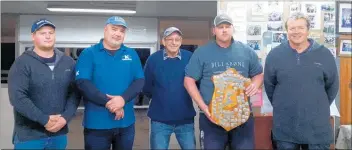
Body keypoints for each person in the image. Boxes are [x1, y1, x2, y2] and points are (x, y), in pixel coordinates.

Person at [184, 14, 264, 150]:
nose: (224, 30)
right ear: (213, 30)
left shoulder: (246, 51)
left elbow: (258, 74)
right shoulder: (202, 52)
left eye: (227, 27)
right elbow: (188, 81)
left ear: (233, 29)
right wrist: (203, 107)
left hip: (242, 117)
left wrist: (255, 84)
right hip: (212, 118)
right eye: (220, 27)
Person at [264, 12, 339, 150]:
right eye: (292, 28)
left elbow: (332, 86)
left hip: (317, 127)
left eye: (300, 28)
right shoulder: (275, 55)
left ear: (308, 30)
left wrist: (315, 105)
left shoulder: (324, 54)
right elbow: (269, 86)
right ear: (287, 31)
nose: (296, 32)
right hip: (285, 127)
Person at [8, 18, 80, 149]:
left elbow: (74, 94)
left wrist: (65, 118)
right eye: (42, 33)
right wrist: (44, 120)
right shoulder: (22, 63)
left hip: (59, 134)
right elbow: (17, 98)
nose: (48, 36)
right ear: (33, 36)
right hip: (29, 136)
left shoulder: (68, 62)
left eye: (51, 32)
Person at [75, 16, 144, 150]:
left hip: (126, 124)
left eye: (122, 31)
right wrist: (110, 103)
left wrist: (123, 100)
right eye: (114, 29)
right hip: (97, 124)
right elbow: (83, 83)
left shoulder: (131, 54)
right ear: (105, 30)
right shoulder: (89, 53)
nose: (118, 33)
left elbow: (139, 81)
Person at [143, 27, 196, 149]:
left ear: (181, 41)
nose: (174, 42)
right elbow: (146, 87)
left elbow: (196, 83)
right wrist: (161, 96)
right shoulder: (153, 60)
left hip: (185, 119)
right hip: (159, 120)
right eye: (170, 39)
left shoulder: (190, 58)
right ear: (164, 41)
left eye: (177, 39)